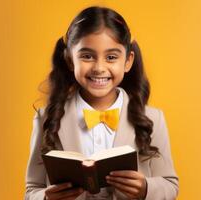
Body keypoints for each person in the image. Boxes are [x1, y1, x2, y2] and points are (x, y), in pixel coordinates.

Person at [25, 6, 179, 200]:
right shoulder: (45, 118)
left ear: (128, 61)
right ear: (70, 60)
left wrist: (146, 188)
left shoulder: (152, 118)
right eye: (87, 56)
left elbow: (170, 184)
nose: (99, 68)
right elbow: (32, 189)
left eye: (111, 57)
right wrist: (47, 197)